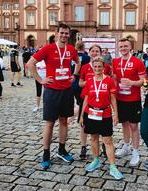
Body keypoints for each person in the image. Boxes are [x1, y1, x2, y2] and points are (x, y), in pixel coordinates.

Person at [27, 23, 81, 170]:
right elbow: (30, 63)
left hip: (67, 90)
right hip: (51, 91)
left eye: (66, 33)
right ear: (57, 33)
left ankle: (61, 150)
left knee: (64, 121)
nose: (64, 35)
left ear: (69, 35)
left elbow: (78, 62)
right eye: (61, 33)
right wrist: (40, 80)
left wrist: (74, 75)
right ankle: (45, 154)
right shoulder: (48, 48)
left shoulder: (71, 49)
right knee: (50, 123)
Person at [79, 57, 123, 180]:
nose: (97, 69)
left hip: (105, 114)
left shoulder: (108, 80)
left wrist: (116, 114)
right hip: (91, 113)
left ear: (103, 68)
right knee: (93, 138)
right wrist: (82, 115)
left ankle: (113, 167)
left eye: (100, 66)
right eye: (95, 66)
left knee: (107, 140)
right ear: (92, 67)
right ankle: (96, 160)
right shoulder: (89, 81)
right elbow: (86, 98)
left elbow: (113, 98)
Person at [113, 38, 146, 167]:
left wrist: (132, 83)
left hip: (133, 99)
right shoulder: (115, 61)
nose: (123, 49)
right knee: (124, 124)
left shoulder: (138, 62)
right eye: (121, 47)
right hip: (121, 98)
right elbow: (115, 78)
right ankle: (126, 147)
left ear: (130, 47)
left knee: (134, 126)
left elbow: (143, 81)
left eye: (125, 46)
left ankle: (136, 152)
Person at [78, 44, 111, 159]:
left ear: (100, 53)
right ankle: (83, 147)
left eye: (97, 51)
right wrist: (90, 84)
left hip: (101, 101)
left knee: (101, 124)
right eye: (92, 51)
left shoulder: (105, 67)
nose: (95, 53)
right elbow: (80, 83)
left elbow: (109, 81)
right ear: (89, 52)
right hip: (88, 99)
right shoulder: (85, 67)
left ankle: (103, 146)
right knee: (83, 125)